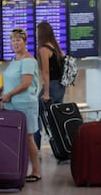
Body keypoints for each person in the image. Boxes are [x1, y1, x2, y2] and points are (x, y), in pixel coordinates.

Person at [0, 28, 41, 182]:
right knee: (16, 138)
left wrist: (9, 94)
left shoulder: (28, 60)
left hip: (25, 105)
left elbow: (26, 83)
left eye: (18, 40)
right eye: (13, 40)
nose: (15, 43)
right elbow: (13, 78)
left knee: (29, 138)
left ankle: (36, 170)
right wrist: (4, 89)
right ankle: (19, 168)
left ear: (25, 42)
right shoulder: (15, 59)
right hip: (12, 105)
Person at [34, 21, 65, 150]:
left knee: (36, 111)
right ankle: (60, 145)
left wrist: (46, 92)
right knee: (55, 117)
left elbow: (46, 71)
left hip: (51, 87)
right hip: (60, 86)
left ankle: (36, 145)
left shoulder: (43, 50)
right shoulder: (55, 47)